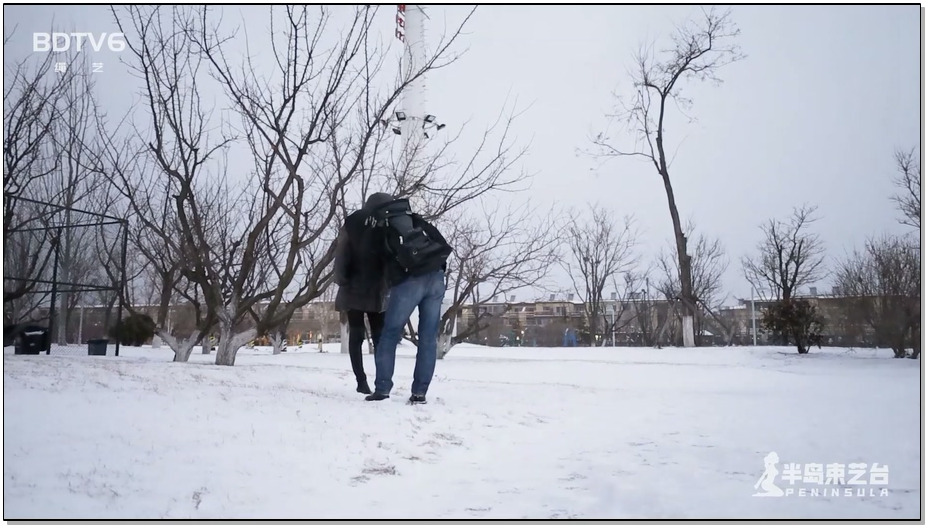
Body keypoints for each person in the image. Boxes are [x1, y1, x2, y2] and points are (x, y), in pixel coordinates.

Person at [364, 197, 452, 405]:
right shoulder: (416, 220)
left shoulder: (383, 226)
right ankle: (420, 393)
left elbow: (378, 259)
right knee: (428, 339)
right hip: (436, 279)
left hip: (409, 281)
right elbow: (441, 243)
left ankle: (383, 389)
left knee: (389, 335)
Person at [333, 192, 395, 395]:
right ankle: (382, 382)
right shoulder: (388, 222)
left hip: (353, 286)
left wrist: (341, 278)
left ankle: (361, 382)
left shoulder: (353, 221)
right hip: (377, 289)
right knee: (379, 338)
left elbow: (342, 250)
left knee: (357, 335)